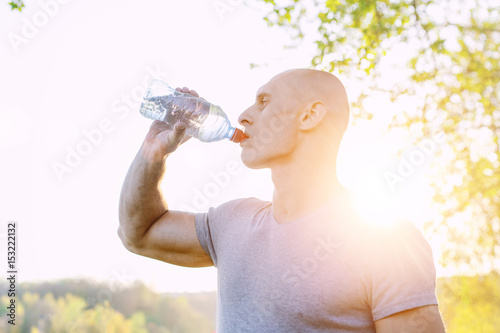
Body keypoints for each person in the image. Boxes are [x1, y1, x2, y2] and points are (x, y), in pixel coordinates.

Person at [118, 69, 446, 332]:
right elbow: (138, 233)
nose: (244, 115)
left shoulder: (384, 240)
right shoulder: (232, 223)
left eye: (263, 101)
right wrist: (152, 153)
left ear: (310, 116)